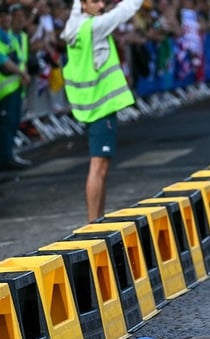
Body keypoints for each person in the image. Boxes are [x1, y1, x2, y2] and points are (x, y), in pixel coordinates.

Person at [61, 0, 142, 222]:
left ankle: (98, 219)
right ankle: (93, 222)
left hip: (87, 103)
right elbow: (127, 9)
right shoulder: (95, 27)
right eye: (95, 1)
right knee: (98, 166)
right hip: (100, 105)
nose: (101, 4)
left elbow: (76, 8)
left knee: (101, 166)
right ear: (84, 5)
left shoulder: (74, 24)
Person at [0, 3, 33, 171]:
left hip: (14, 87)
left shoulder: (10, 37)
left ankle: (9, 156)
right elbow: (2, 61)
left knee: (12, 123)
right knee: (5, 123)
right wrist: (22, 74)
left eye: (7, 16)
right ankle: (5, 159)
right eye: (2, 16)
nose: (6, 19)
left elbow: (20, 59)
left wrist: (22, 74)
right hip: (3, 88)